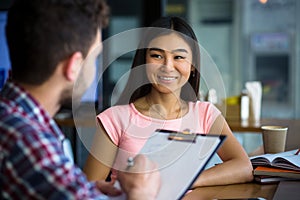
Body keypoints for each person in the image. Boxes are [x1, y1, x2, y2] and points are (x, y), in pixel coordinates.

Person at [0, 0, 160, 199]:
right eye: (94, 58)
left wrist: (90, 191)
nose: (95, 69)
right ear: (73, 66)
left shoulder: (15, 116)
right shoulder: (29, 143)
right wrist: (142, 194)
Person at [83, 16, 254, 187]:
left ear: (192, 65)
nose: (168, 66)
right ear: (144, 61)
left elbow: (244, 167)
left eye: (179, 57)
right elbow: (88, 189)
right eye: (157, 56)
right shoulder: (115, 119)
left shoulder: (205, 114)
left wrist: (186, 182)